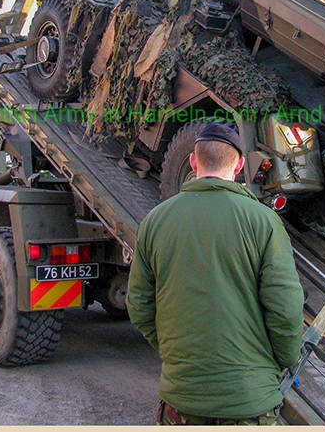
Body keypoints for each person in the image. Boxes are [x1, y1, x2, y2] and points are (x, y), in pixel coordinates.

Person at [127, 122, 304, 425]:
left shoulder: (154, 222)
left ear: (193, 162)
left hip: (180, 400)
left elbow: (140, 306)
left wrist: (176, 354)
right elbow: (285, 307)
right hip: (249, 402)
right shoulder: (263, 221)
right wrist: (284, 360)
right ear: (237, 166)